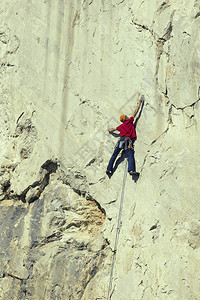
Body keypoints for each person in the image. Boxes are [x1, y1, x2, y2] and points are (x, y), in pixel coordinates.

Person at [106, 97, 144, 176]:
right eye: (126, 116)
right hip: (127, 141)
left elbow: (114, 129)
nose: (127, 116)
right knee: (130, 155)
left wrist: (109, 130)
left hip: (121, 141)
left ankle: (109, 169)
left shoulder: (121, 126)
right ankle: (131, 170)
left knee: (114, 155)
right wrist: (139, 103)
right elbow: (135, 112)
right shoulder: (129, 122)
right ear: (125, 119)